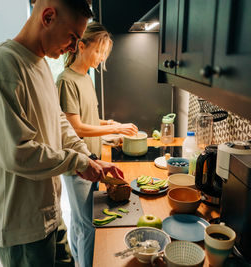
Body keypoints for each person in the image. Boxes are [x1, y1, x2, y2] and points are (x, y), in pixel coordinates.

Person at [0, 1, 125, 266]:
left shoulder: (40, 64)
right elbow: (16, 153)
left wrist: (89, 158)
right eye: (73, 37)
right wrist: (79, 163)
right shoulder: (0, 66)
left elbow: (60, 124)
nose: (75, 48)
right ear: (48, 17)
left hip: (49, 213)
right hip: (21, 224)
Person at [56, 21, 138, 267]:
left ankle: (78, 261)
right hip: (79, 165)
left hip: (93, 159)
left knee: (80, 222)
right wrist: (115, 127)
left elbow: (87, 119)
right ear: (81, 46)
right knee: (88, 224)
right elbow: (75, 127)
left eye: (105, 53)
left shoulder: (85, 78)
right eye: (99, 51)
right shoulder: (66, 80)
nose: (102, 58)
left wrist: (109, 122)